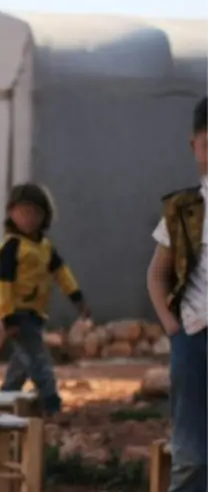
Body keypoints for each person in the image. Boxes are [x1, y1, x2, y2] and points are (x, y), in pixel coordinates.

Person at [146, 96, 207, 492]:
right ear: (194, 146)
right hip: (195, 340)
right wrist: (173, 328)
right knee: (192, 452)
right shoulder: (183, 211)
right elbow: (157, 275)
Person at [0, 183, 90, 415]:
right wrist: (7, 317)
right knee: (38, 358)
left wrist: (76, 297)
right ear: (11, 213)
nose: (28, 219)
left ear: (44, 216)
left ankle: (5, 399)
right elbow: (3, 285)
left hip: (36, 313)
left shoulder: (45, 247)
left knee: (22, 362)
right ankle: (50, 401)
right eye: (22, 212)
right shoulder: (12, 247)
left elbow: (61, 273)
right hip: (18, 313)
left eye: (34, 213)